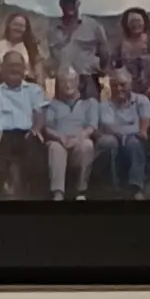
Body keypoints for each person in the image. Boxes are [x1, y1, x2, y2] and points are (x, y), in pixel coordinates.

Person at [0, 47, 50, 201]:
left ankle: (35, 196)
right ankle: (5, 192)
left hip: (26, 134)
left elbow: (40, 114)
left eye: (18, 65)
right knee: (0, 150)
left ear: (24, 68)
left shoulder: (34, 90)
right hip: (1, 136)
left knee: (34, 150)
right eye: (10, 65)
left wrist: (36, 129)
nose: (14, 69)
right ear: (2, 68)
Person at [94, 67, 150, 197]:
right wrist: (121, 136)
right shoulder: (106, 105)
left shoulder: (141, 100)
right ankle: (114, 186)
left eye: (122, 85)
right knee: (109, 143)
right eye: (114, 85)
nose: (118, 89)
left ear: (130, 85)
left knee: (134, 143)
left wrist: (142, 131)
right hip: (117, 137)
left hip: (136, 137)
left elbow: (145, 120)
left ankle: (136, 187)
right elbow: (108, 126)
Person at [42, 66, 102, 200]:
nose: (67, 85)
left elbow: (92, 126)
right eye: (63, 81)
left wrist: (78, 138)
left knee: (87, 145)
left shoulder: (89, 103)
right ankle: (58, 193)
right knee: (54, 148)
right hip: (59, 141)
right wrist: (60, 137)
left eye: (71, 80)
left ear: (78, 82)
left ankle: (81, 192)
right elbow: (47, 127)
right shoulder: (52, 105)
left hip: (79, 142)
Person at [105, 6, 150, 107]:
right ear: (126, 24)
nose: (135, 24)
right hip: (126, 96)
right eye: (132, 21)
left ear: (144, 22)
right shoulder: (119, 46)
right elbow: (113, 69)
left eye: (138, 21)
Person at [45, 0, 106, 84]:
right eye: (66, 2)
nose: (69, 5)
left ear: (78, 4)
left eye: (72, 2)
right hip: (62, 80)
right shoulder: (52, 28)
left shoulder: (93, 26)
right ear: (61, 4)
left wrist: (100, 69)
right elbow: (49, 55)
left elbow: (105, 53)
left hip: (87, 79)